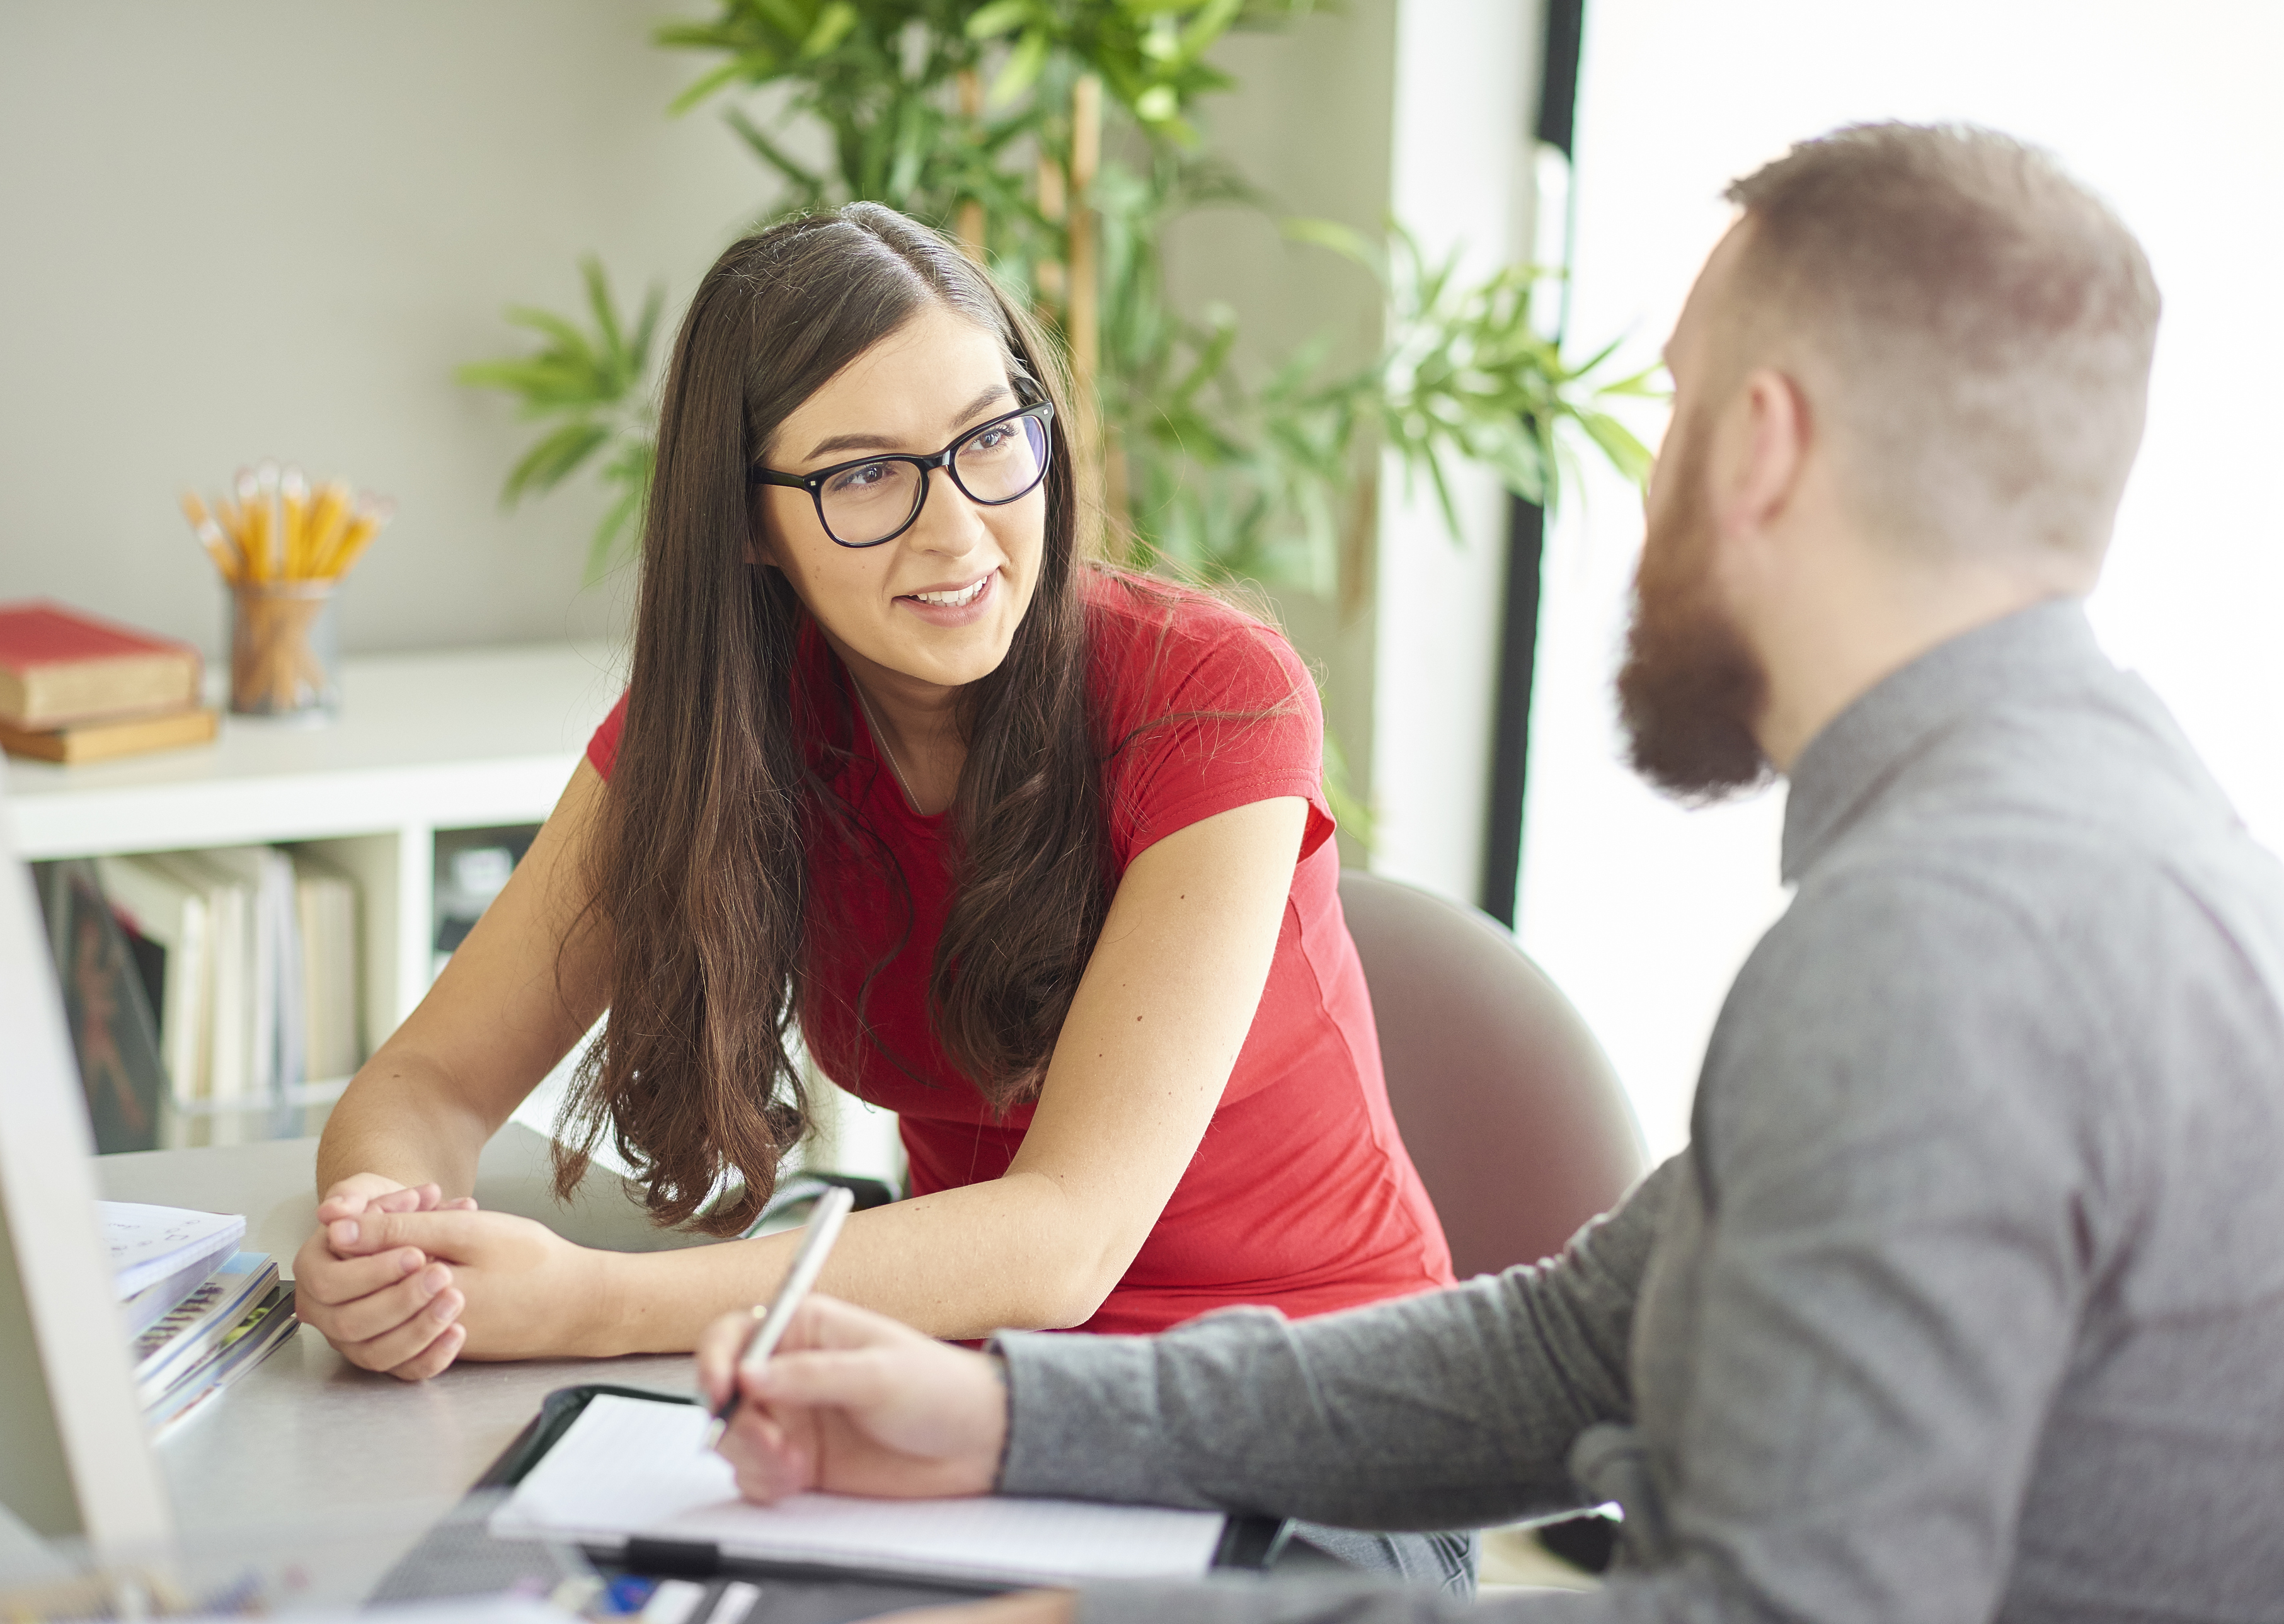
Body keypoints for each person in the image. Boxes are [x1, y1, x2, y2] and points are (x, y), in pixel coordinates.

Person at [691, 123, 2284, 1622]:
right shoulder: (2090, 835)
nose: (1643, 483)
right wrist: (1004, 1411)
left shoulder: (1946, 953)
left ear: (1763, 445)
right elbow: (1577, 1342)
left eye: (1670, 409)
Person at [290, 206, 1452, 1385]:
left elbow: (1067, 1238)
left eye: (990, 438)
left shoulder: (1208, 696)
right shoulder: (724, 735)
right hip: (974, 1392)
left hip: (1329, 1400)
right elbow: (425, 1082)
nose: (958, 534)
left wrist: (591, 1301)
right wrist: (386, 1240)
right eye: (864, 474)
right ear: (749, 522)